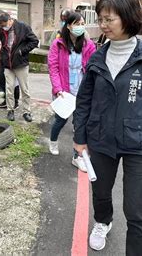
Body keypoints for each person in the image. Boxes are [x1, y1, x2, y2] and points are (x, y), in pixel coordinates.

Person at [73, 0, 142, 255]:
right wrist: (79, 137)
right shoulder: (98, 57)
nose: (103, 25)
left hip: (141, 143)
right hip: (101, 139)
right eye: (101, 19)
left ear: (128, 18)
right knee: (100, 192)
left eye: (109, 19)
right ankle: (102, 222)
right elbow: (84, 101)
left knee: (136, 209)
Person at [47, 12, 96, 168]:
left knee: (80, 123)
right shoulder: (58, 44)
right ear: (68, 26)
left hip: (82, 90)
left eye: (82, 23)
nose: (80, 27)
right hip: (64, 90)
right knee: (60, 120)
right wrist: (58, 88)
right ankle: (53, 141)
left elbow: (92, 67)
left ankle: (77, 156)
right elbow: (53, 67)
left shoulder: (89, 45)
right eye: (77, 24)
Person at [0, 11, 39, 122]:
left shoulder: (22, 27)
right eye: (1, 26)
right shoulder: (1, 30)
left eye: (4, 25)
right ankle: (10, 110)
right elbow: (4, 46)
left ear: (9, 20)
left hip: (21, 64)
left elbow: (34, 41)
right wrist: (3, 58)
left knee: (25, 89)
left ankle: (26, 111)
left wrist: (22, 51)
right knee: (9, 89)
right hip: (7, 64)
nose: (3, 27)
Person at [0, 19, 20, 110]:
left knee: (14, 84)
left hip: (13, 62)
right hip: (2, 63)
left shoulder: (12, 35)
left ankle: (15, 101)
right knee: (2, 80)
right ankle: (5, 100)